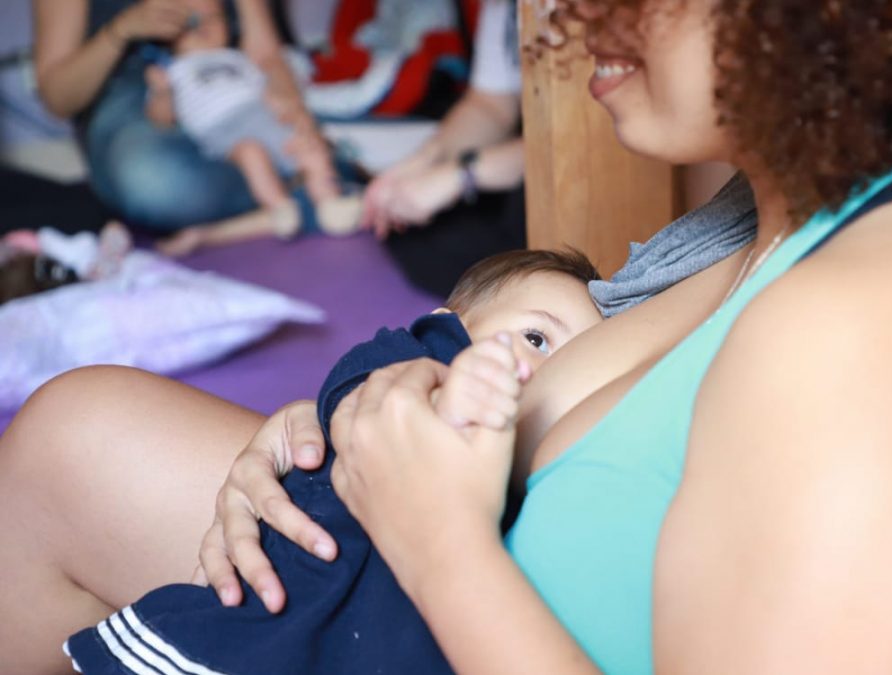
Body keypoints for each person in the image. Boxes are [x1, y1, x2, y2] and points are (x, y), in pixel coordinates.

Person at [2, 1, 892, 674]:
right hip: (424, 599)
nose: (572, 14)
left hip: (458, 609)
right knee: (77, 436)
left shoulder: (877, 324)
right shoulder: (778, 215)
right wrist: (344, 439)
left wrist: (441, 546)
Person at [63, 248, 603, 674]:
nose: (549, 369)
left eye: (577, 360)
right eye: (537, 337)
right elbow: (357, 387)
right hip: (283, 616)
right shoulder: (414, 362)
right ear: (447, 323)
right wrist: (448, 390)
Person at [32, 0, 331, 232]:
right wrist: (122, 30)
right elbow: (58, 99)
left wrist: (292, 109)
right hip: (134, 95)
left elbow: (265, 54)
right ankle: (303, 192)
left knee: (308, 146)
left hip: (233, 83)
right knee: (154, 180)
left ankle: (279, 201)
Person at [138, 0, 362, 253]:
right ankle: (279, 208)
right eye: (192, 20)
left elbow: (266, 84)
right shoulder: (173, 70)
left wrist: (286, 108)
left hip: (263, 118)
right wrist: (161, 92)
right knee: (250, 154)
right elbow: (160, 119)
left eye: (215, 17)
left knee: (311, 148)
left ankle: (329, 202)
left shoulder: (237, 58)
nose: (205, 26)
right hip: (224, 130)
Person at [368, 0, 528, 297]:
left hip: (581, 168)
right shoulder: (501, 7)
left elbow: (587, 143)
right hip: (523, 156)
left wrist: (462, 174)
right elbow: (491, 106)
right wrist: (424, 160)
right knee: (413, 231)